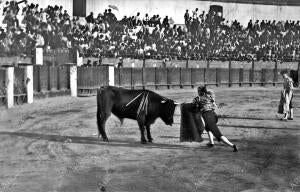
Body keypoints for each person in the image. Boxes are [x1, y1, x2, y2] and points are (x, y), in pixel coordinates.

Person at [192, 85, 238, 152]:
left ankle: (233, 146)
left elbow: (193, 107)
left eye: (198, 91)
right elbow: (214, 104)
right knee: (208, 128)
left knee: (218, 134)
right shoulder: (209, 96)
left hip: (208, 117)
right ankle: (211, 143)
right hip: (214, 115)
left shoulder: (197, 99)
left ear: (199, 91)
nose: (197, 92)